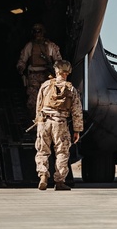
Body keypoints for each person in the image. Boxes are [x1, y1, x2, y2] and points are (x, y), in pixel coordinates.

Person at [34, 59, 83, 192]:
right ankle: (59, 181)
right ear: (67, 72)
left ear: (57, 71)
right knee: (62, 152)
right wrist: (77, 130)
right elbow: (77, 111)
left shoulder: (45, 85)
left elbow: (39, 105)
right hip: (60, 123)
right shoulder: (71, 89)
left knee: (42, 151)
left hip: (44, 122)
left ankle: (43, 175)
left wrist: (39, 121)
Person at [17, 24, 61, 115]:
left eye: (39, 31)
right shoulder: (30, 46)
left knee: (49, 101)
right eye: (35, 31)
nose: (37, 34)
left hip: (48, 76)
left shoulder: (50, 46)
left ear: (43, 32)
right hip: (33, 76)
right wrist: (21, 68)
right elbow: (23, 59)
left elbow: (58, 61)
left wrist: (57, 71)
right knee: (33, 101)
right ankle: (34, 122)